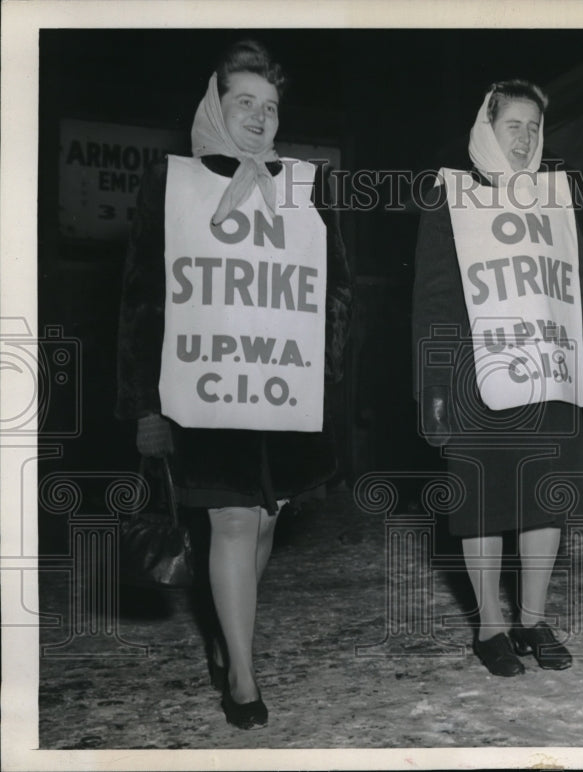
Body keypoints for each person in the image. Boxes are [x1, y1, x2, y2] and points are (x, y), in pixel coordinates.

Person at [116, 40, 352, 727]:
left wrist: (327, 368)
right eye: (243, 102)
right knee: (230, 519)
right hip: (206, 391)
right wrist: (143, 404)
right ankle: (243, 676)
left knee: (267, 521)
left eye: (270, 106)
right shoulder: (173, 186)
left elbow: (337, 290)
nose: (258, 116)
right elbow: (141, 301)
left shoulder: (305, 186)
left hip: (282, 389)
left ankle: (227, 631)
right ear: (215, 108)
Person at [412, 80, 583, 676]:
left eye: (534, 126)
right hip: (474, 375)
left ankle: (532, 619)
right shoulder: (449, 196)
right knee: (484, 503)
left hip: (548, 374)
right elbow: (431, 299)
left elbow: (578, 286)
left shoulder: (554, 198)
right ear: (488, 127)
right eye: (514, 125)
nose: (526, 137)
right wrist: (432, 390)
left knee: (544, 501)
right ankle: (490, 627)